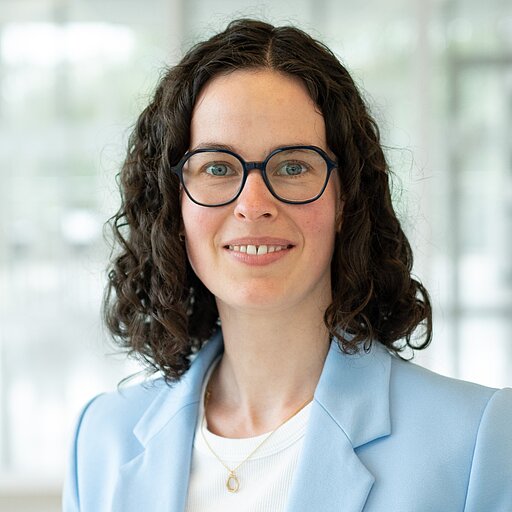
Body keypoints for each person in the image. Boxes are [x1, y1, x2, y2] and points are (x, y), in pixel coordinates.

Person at [63, 19, 512, 512]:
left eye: (293, 166)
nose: (253, 205)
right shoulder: (101, 440)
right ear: (174, 205)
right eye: (217, 167)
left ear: (345, 199)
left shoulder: (476, 440)